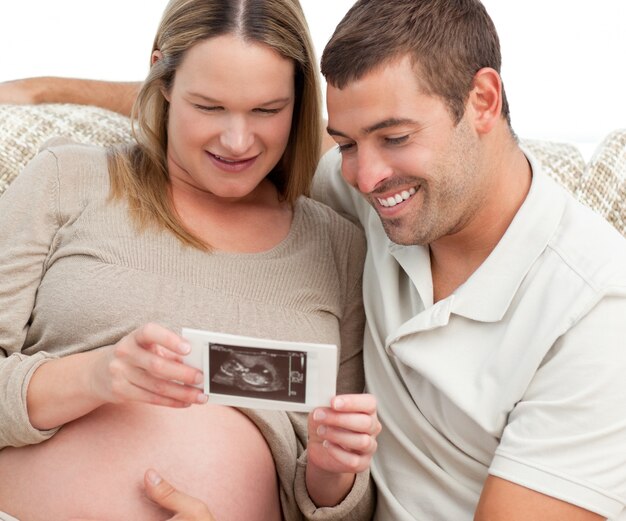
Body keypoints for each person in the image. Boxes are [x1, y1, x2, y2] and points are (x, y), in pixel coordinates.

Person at [4, 1, 626, 520]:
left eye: (396, 138)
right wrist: (45, 88)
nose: (368, 174)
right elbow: (225, 95)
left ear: (484, 100)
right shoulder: (369, 200)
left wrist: (329, 472)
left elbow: (333, 495)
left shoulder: (593, 310)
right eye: (348, 143)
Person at [0, 0, 381, 520]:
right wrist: (94, 375)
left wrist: (333, 468)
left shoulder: (341, 247)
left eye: (268, 110)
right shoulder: (68, 180)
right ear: (162, 79)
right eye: (209, 107)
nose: (238, 141)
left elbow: (337, 503)